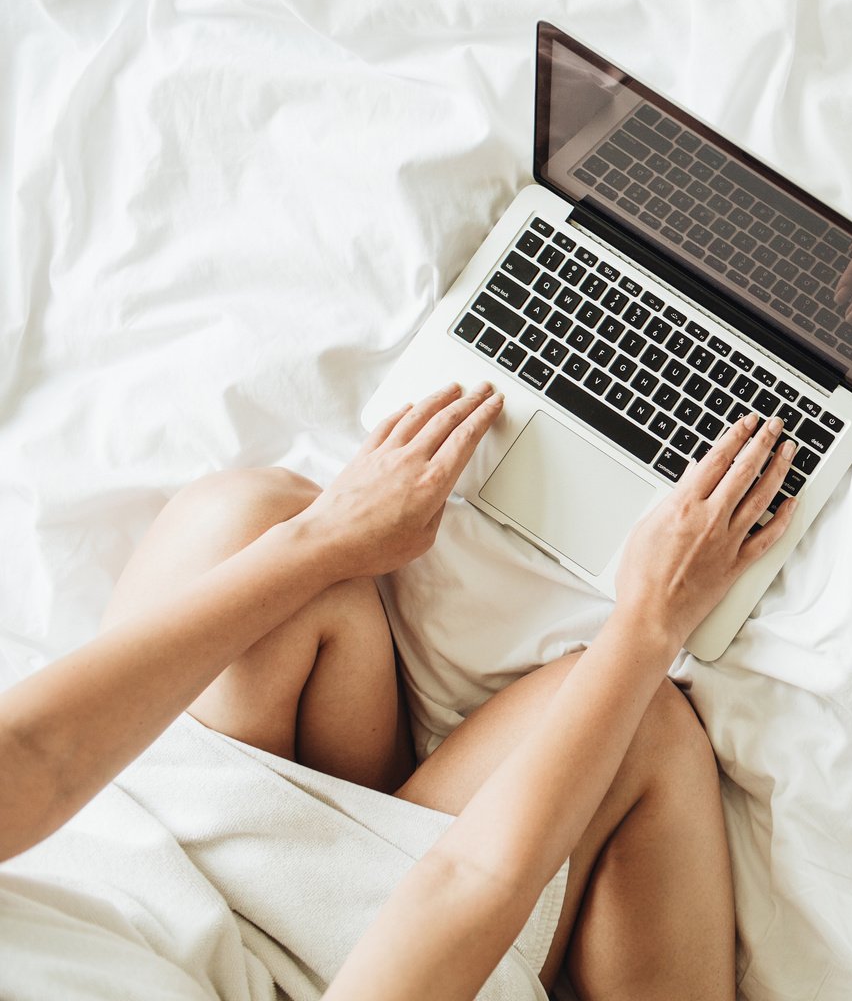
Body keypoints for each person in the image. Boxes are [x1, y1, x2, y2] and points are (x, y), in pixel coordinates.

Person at [0, 381, 800, 1000]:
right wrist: (648, 622)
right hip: (349, 974)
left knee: (248, 520)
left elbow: (36, 755)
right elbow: (463, 887)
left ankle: (382, 812)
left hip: (135, 865)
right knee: (637, 722)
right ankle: (404, 833)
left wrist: (322, 539)